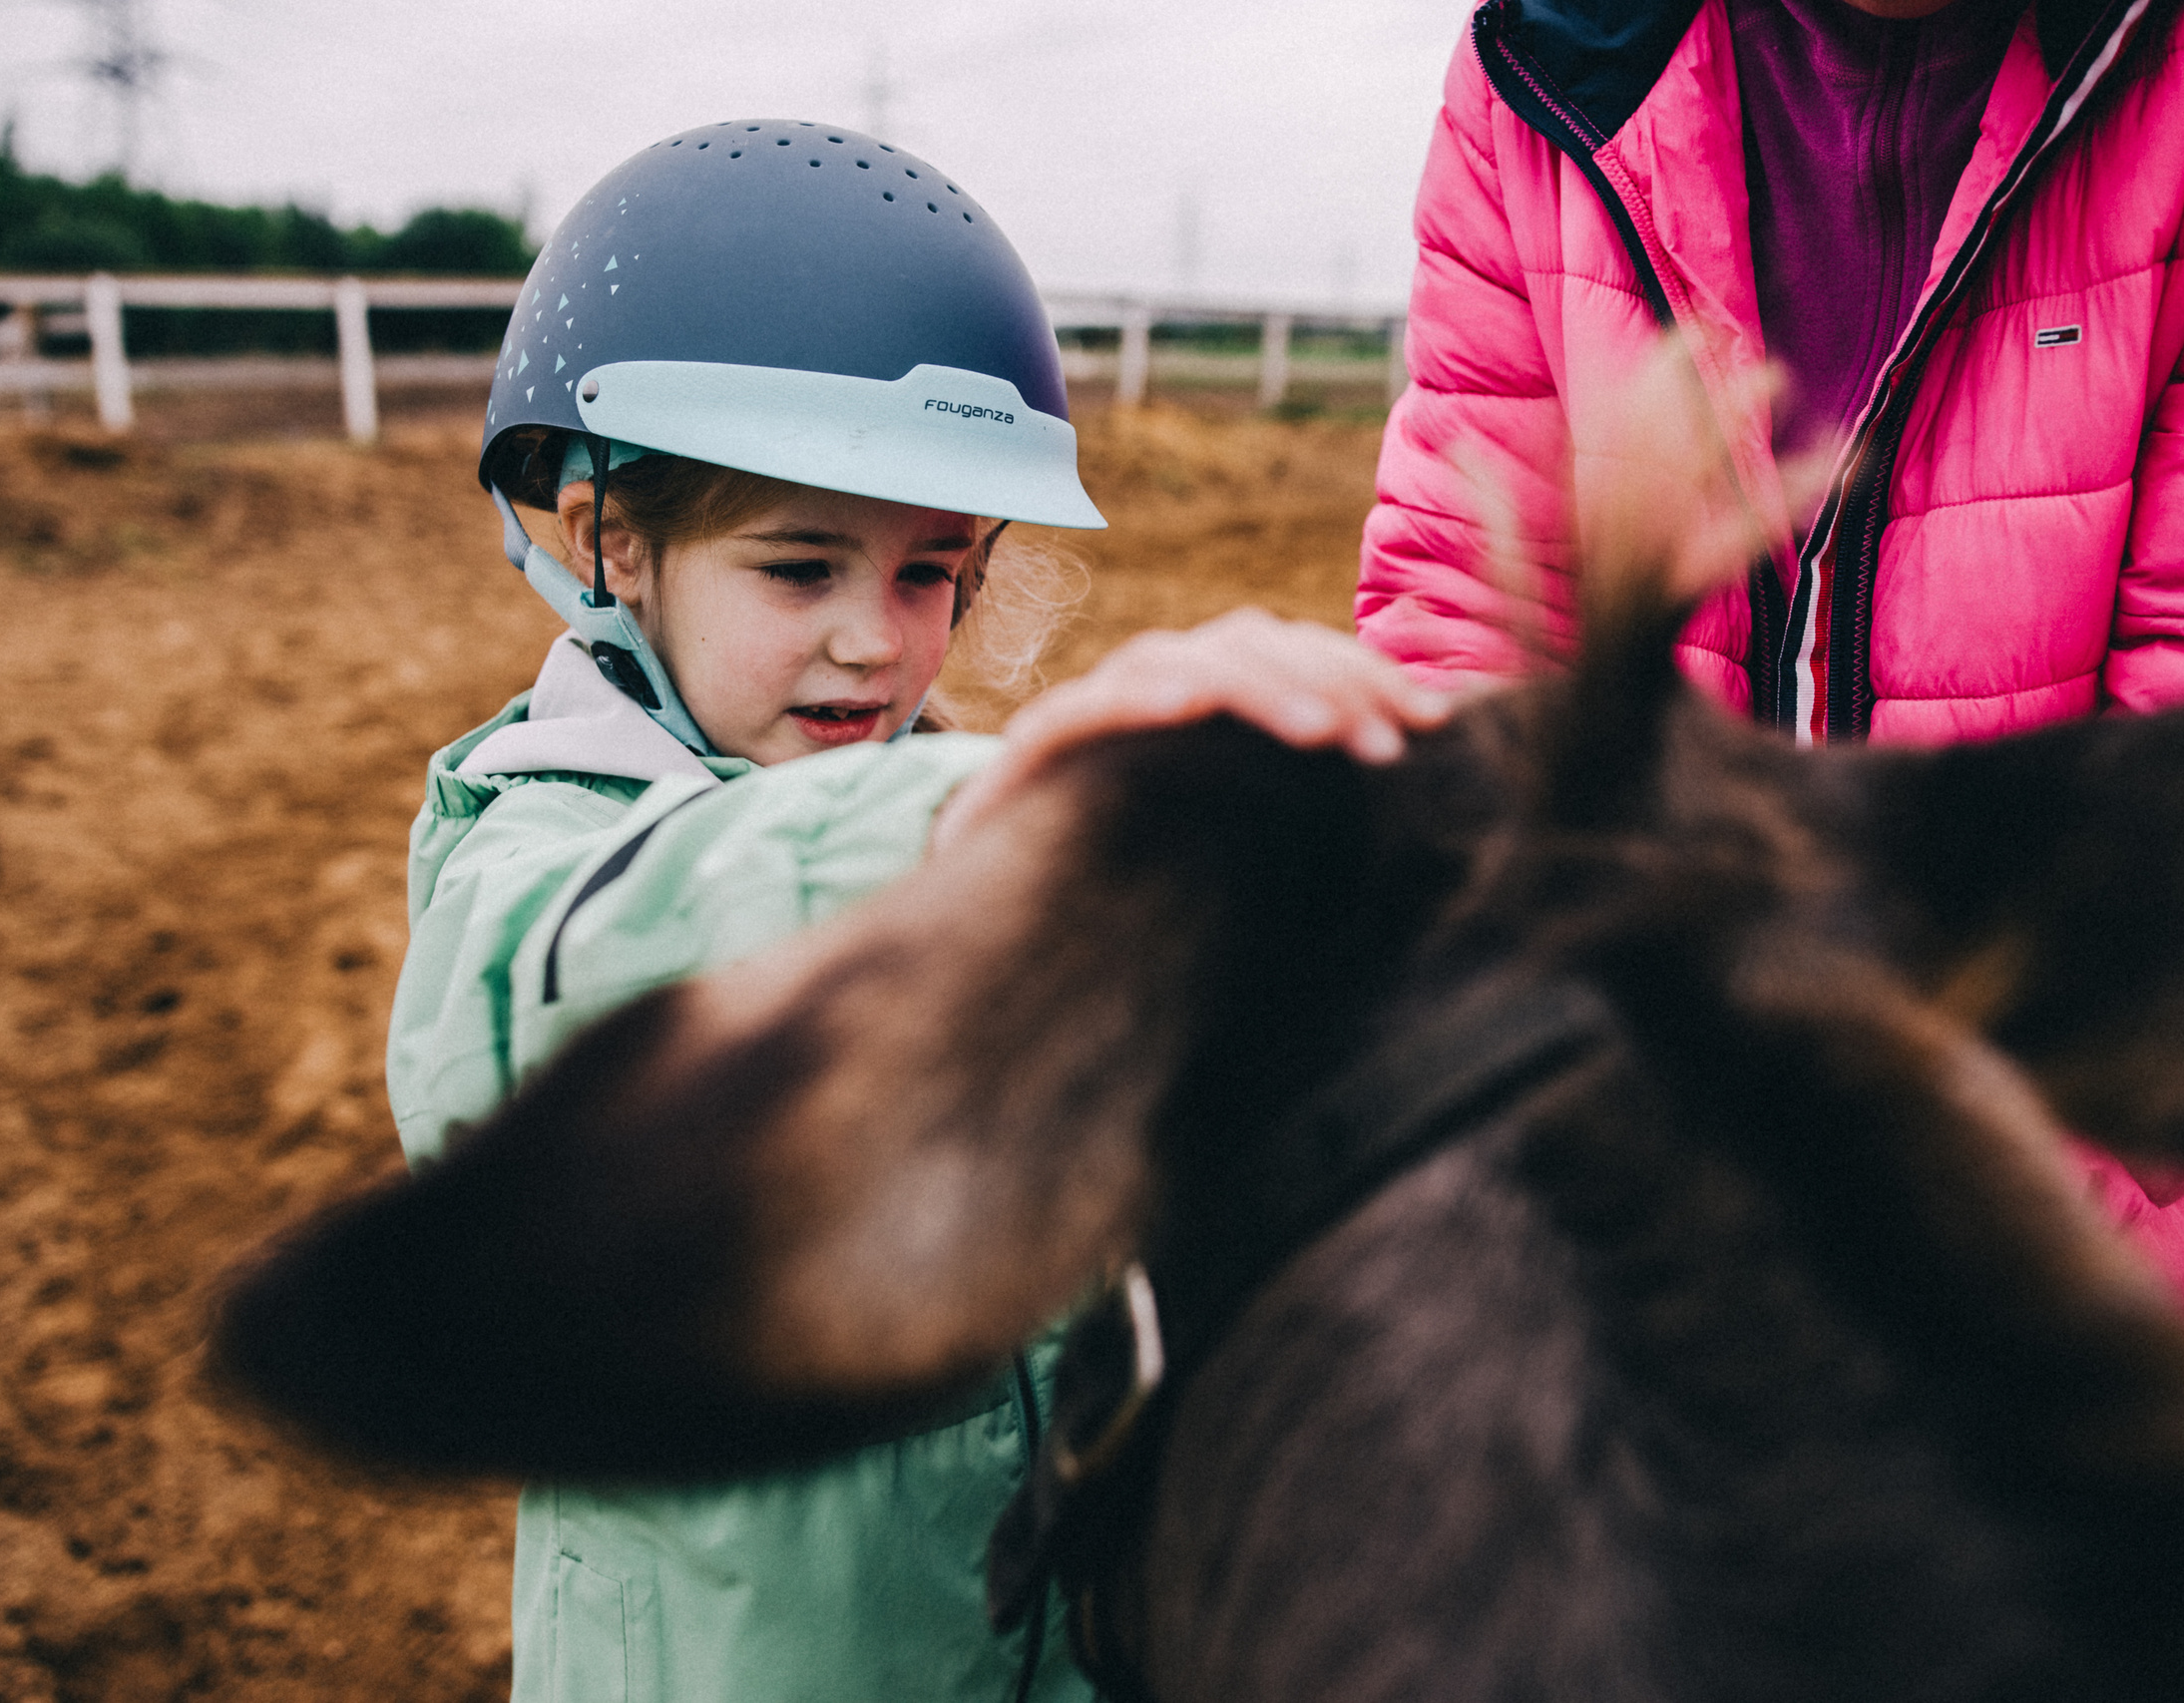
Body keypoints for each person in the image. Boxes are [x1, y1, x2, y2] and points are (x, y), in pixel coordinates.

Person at [387, 122, 1441, 1703]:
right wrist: (1015, 830)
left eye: (932, 574)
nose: (874, 645)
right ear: (613, 538)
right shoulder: (545, 841)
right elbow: (529, 1023)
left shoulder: (941, 809)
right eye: (799, 569)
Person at [1356, 0, 2184, 1302]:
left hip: (2063, 1202)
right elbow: (1468, 635)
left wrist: (1977, 1227)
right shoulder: (1545, 72)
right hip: (1628, 1183)